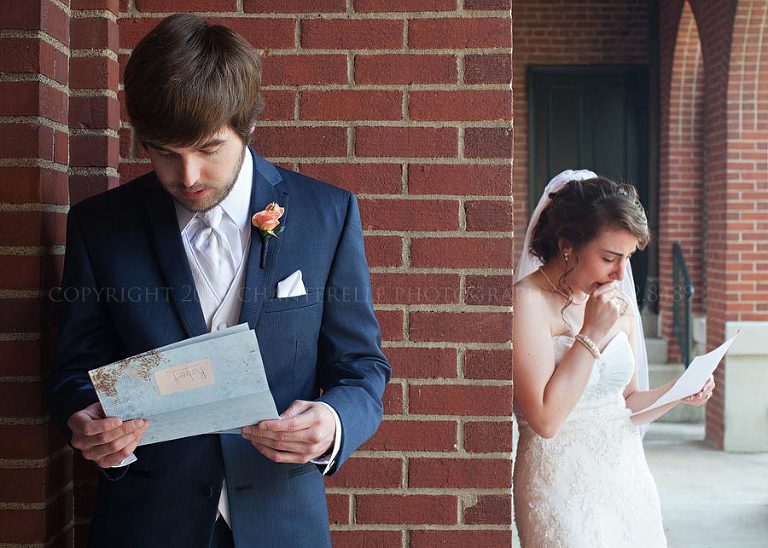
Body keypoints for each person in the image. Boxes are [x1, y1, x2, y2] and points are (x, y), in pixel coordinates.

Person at [47, 14, 390, 548]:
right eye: (164, 152)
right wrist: (85, 418)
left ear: (247, 125)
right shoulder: (100, 226)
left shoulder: (329, 215)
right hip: (145, 523)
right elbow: (75, 368)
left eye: (208, 149)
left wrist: (333, 422)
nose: (186, 176)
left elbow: (362, 368)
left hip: (283, 522)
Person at [512, 170, 714, 547]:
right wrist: (592, 333)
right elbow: (544, 419)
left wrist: (680, 390)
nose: (621, 273)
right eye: (609, 257)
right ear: (567, 244)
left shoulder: (614, 300)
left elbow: (626, 404)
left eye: (628, 259)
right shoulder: (528, 301)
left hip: (626, 479)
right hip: (559, 488)